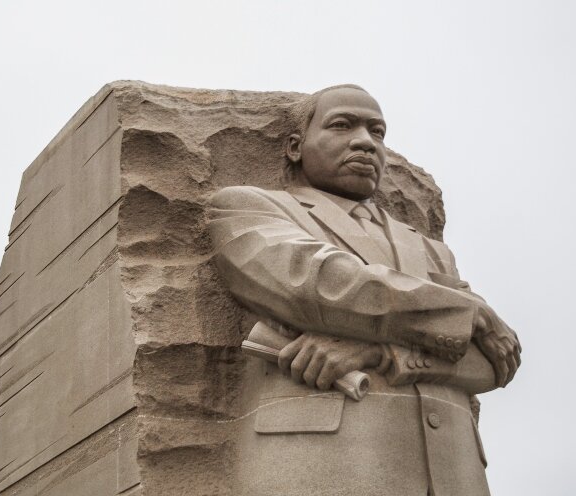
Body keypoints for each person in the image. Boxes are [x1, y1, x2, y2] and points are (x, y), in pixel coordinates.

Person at [208, 84, 521, 496]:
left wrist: (381, 353)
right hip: (327, 466)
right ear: (295, 147)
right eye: (342, 125)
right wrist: (471, 313)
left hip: (455, 475)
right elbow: (319, 284)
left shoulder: (429, 249)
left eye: (378, 132)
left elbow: (493, 361)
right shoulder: (249, 207)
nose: (365, 142)